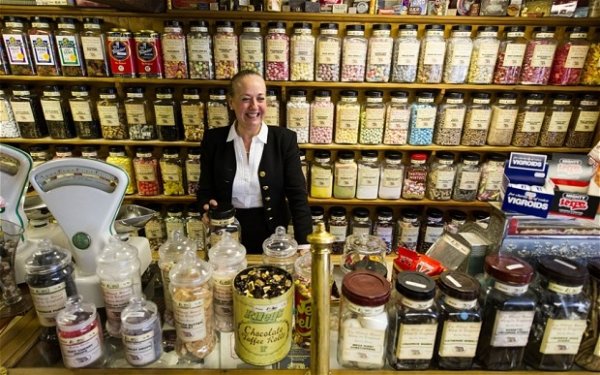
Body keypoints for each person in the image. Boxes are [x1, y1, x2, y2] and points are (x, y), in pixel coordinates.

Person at [197, 70, 312, 253]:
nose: (254, 106)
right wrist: (205, 208)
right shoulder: (213, 140)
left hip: (272, 233)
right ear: (231, 102)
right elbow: (205, 189)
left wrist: (305, 243)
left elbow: (297, 195)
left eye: (260, 98)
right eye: (245, 99)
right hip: (226, 235)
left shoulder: (284, 140)